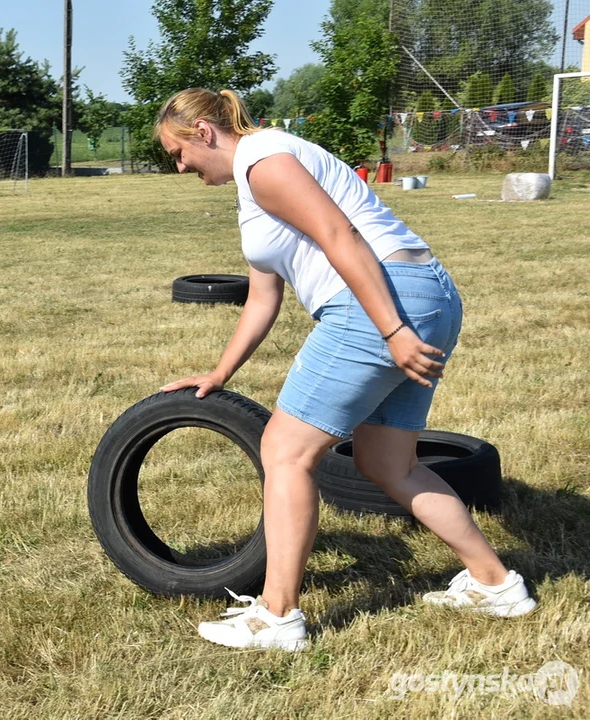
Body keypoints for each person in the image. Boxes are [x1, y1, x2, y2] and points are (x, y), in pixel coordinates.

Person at [155, 88, 535, 652]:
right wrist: (219, 373)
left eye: (178, 152)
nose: (179, 166)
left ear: (204, 133)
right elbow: (264, 296)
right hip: (424, 294)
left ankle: (276, 617)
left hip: (383, 302)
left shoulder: (265, 164)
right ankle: (496, 583)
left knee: (286, 451)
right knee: (388, 463)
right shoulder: (256, 178)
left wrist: (392, 330)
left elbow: (341, 236)